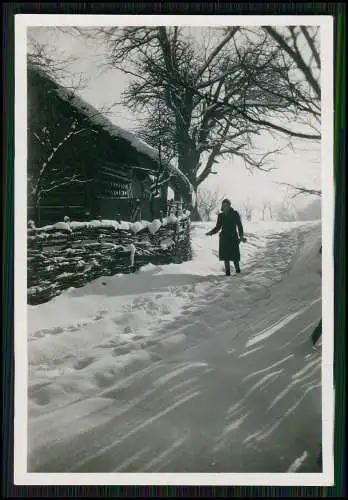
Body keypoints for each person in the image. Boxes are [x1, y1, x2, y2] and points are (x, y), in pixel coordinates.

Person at [206, 198, 246, 276]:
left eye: (226, 205)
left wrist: (241, 236)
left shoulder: (235, 214)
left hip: (233, 237)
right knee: (226, 257)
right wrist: (211, 232)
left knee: (235, 256)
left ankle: (238, 272)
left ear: (229, 206)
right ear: (222, 206)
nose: (225, 207)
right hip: (224, 238)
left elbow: (239, 226)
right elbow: (218, 227)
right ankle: (227, 274)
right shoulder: (221, 215)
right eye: (223, 205)